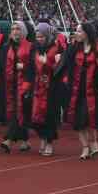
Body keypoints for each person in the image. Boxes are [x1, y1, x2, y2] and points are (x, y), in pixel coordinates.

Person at [57, 22, 98, 159]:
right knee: (78, 121)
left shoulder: (97, 49)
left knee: (88, 118)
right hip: (75, 89)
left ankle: (94, 142)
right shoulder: (73, 49)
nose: (76, 34)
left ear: (87, 33)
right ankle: (85, 147)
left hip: (91, 89)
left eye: (79, 31)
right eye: (76, 31)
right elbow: (63, 65)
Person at [0, 21, 35, 154]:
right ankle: (25, 142)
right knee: (14, 113)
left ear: (24, 32)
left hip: (26, 85)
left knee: (19, 113)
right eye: (13, 29)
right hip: (9, 86)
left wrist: (25, 67)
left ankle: (8, 140)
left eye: (18, 29)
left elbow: (36, 66)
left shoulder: (32, 47)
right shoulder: (5, 47)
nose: (15, 31)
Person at [29, 22, 64, 157]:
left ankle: (48, 142)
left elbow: (60, 68)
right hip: (38, 87)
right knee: (36, 117)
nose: (39, 39)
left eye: (42, 37)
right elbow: (31, 67)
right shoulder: (35, 49)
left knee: (49, 115)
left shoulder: (57, 49)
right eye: (37, 37)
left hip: (52, 87)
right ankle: (42, 137)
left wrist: (47, 63)